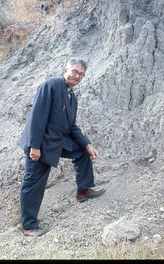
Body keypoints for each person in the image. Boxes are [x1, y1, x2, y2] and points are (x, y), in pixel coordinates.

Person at [17, 58, 106, 236]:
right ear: (65, 70)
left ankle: (83, 191)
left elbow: (71, 126)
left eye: (81, 74)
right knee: (33, 183)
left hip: (57, 141)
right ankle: (28, 226)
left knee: (81, 151)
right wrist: (34, 146)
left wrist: (87, 145)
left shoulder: (72, 96)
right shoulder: (50, 85)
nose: (77, 76)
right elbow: (37, 117)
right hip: (41, 143)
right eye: (74, 71)